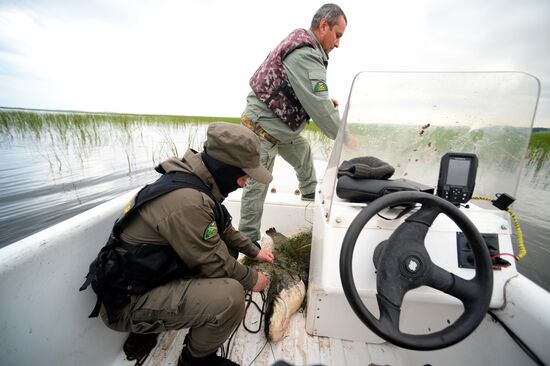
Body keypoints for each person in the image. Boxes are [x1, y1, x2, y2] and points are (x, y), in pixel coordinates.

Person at [81, 122, 275, 366]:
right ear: (225, 167)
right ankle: (195, 360)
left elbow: (224, 229)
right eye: (244, 174)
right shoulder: (189, 201)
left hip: (149, 278)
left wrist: (255, 252)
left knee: (230, 250)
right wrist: (252, 279)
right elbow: (216, 264)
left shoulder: (198, 181)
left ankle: (156, 323)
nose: (244, 182)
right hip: (128, 303)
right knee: (231, 297)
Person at [239, 3, 356, 244]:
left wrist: (322, 100)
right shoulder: (305, 54)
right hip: (262, 130)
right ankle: (249, 245)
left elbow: (303, 90)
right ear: (323, 25)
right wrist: (345, 136)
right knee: (257, 186)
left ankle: (310, 193)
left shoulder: (305, 46)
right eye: (337, 35)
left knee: (302, 151)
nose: (338, 43)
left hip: (280, 126)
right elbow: (320, 106)